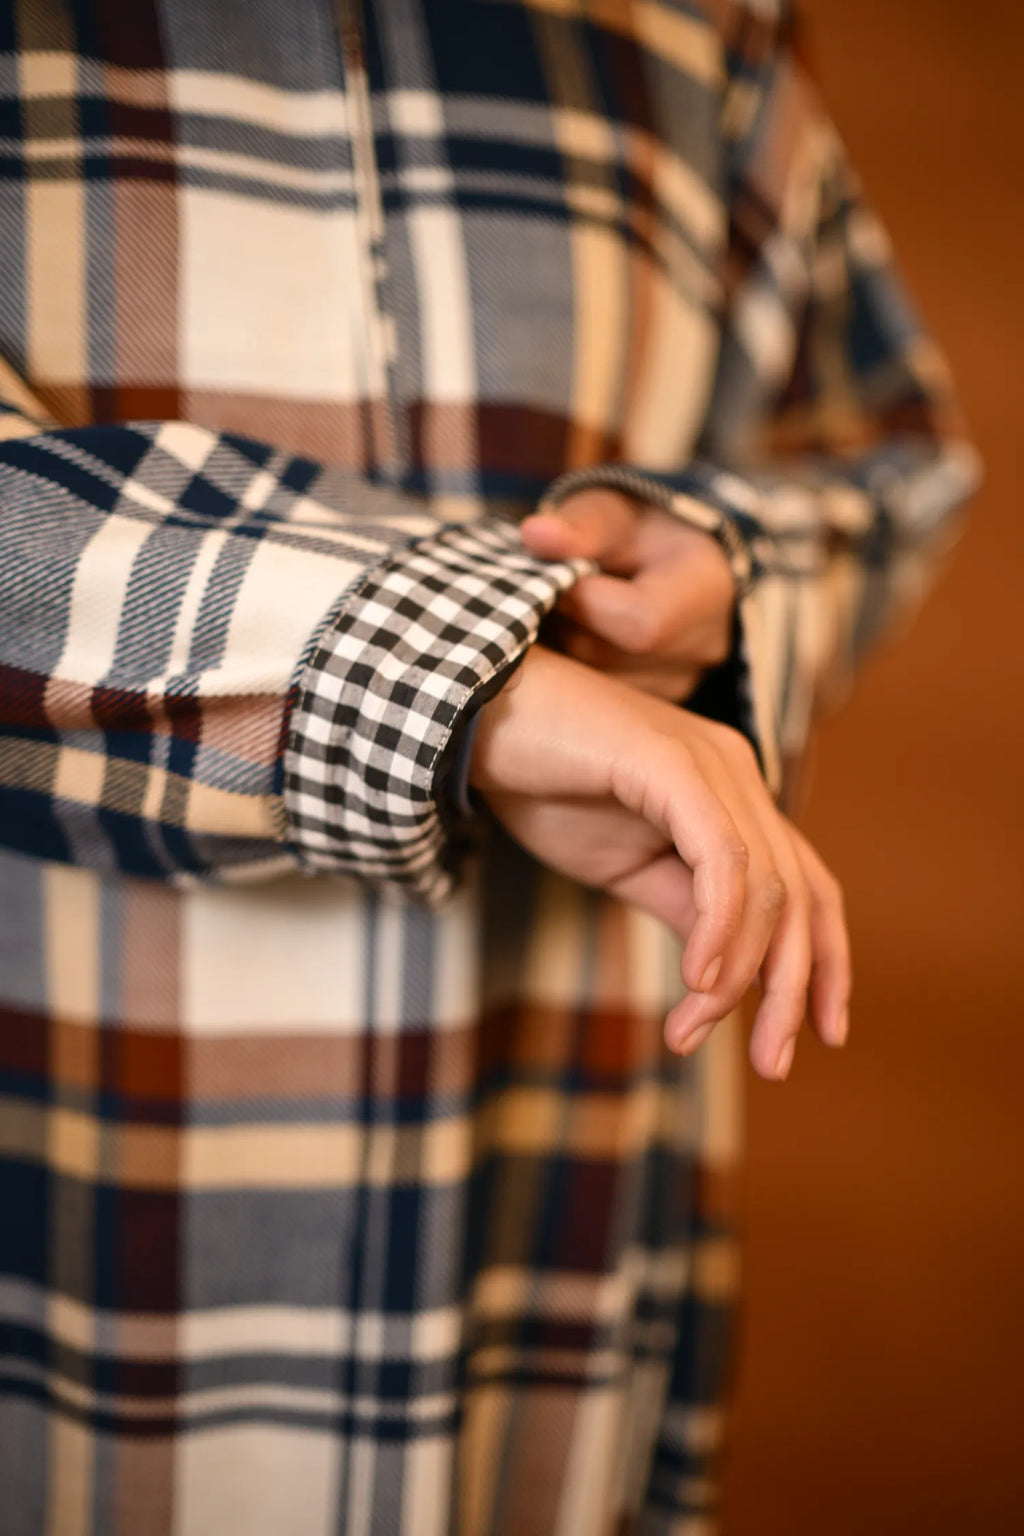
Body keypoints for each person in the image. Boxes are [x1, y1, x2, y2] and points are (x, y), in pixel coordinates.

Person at [0, 2, 977, 1533]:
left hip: (552, 1199)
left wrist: (728, 570)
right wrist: (477, 690)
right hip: (67, 1209)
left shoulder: (706, 29)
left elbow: (890, 456)